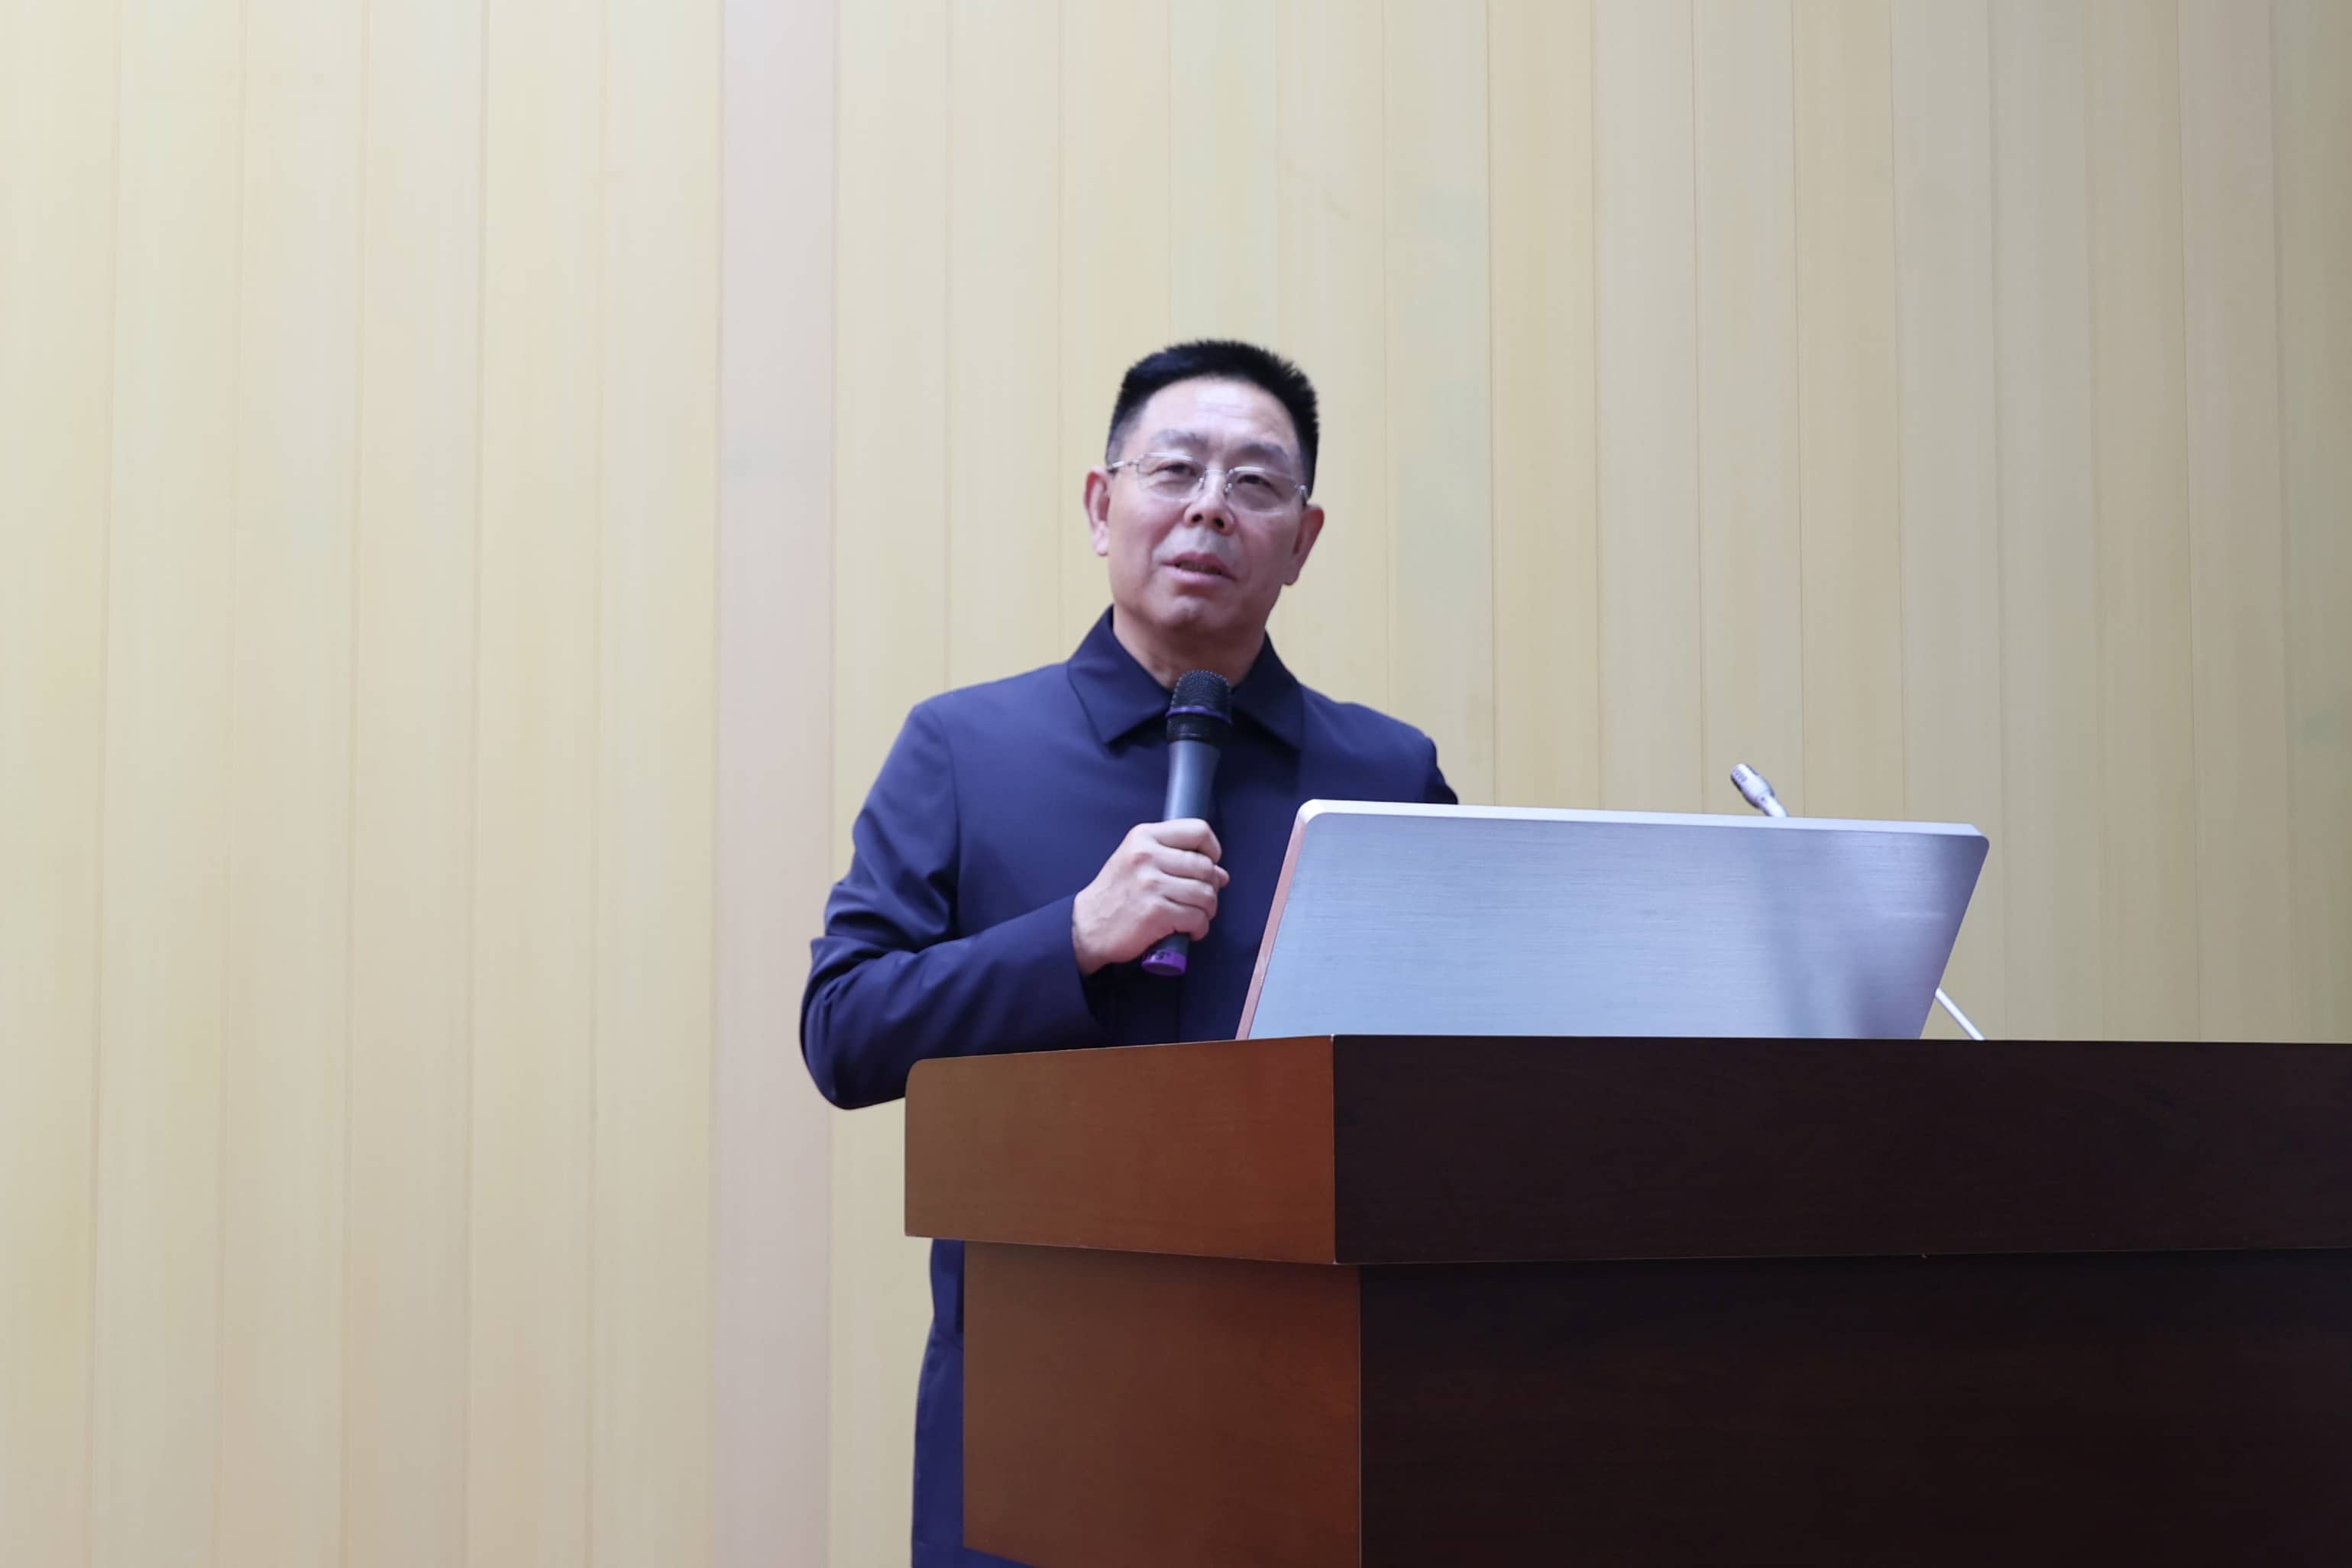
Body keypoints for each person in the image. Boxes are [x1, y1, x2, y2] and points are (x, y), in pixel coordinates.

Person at [802, 339, 1455, 1568]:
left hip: (1316, 1385)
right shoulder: (962, 750)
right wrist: (1071, 938)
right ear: (1103, 507)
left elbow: (1461, 1060)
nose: (1211, 506)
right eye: (1176, 470)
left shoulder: (1386, 776)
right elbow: (843, 1029)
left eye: (1255, 482)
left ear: (1303, 541)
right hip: (1039, 1392)